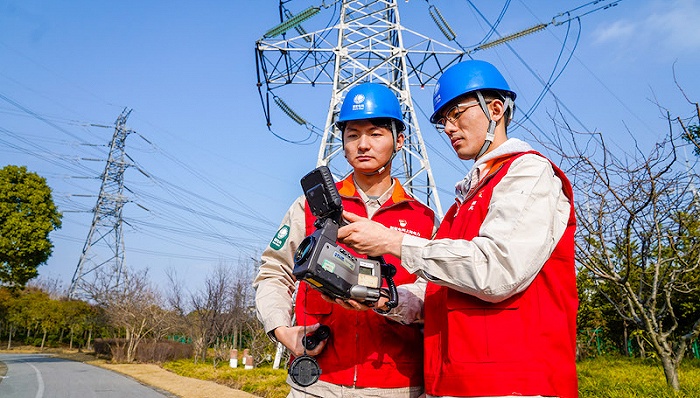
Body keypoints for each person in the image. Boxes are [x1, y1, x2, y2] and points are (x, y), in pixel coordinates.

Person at [336, 60, 579, 398]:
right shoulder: (461, 204)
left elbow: (496, 270)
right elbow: (439, 293)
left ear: (495, 109)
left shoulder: (529, 173)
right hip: (454, 383)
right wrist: (386, 298)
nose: (449, 128)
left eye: (456, 114)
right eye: (442, 121)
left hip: (513, 386)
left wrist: (391, 241)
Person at [253, 82, 438, 398]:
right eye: (352, 135)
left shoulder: (425, 219)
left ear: (400, 141)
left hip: (397, 387)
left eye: (376, 133)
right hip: (317, 384)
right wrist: (282, 331)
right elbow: (273, 273)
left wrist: (389, 300)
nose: (363, 144)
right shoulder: (309, 206)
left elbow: (434, 294)